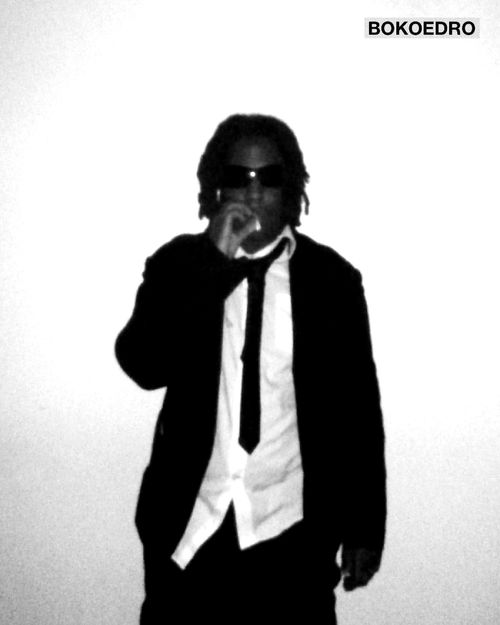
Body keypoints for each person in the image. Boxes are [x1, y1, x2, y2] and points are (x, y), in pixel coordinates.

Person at [115, 113, 386, 624]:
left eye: (270, 177)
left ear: (293, 188)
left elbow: (358, 412)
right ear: (217, 187)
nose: (255, 191)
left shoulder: (332, 281)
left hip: (293, 543)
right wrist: (212, 263)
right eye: (239, 176)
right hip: (190, 534)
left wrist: (365, 528)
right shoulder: (178, 265)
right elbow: (143, 363)